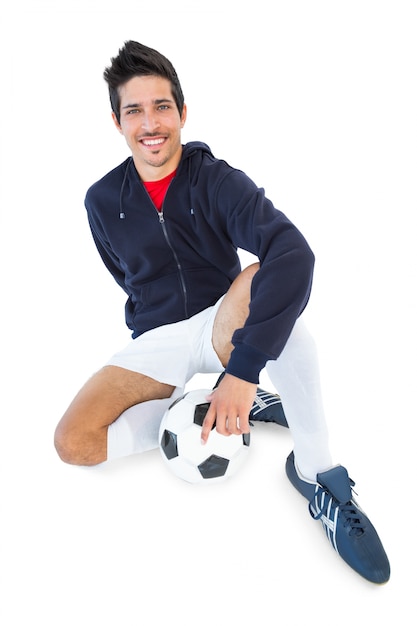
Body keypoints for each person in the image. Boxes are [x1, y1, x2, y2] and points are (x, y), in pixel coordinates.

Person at [54, 40, 390, 584]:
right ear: (116, 122)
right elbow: (124, 274)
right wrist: (184, 372)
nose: (150, 123)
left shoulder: (215, 179)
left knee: (265, 278)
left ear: (182, 113)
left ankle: (317, 471)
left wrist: (242, 368)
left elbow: (294, 252)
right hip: (157, 339)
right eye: (134, 110)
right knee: (75, 442)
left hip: (220, 323)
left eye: (161, 106)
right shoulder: (100, 200)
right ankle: (211, 405)